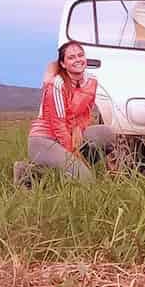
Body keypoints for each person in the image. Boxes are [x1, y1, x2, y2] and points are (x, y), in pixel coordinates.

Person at [25, 41, 113, 182]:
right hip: (45, 139)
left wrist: (79, 128)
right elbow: (58, 126)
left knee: (106, 133)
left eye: (80, 55)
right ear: (63, 64)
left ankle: (72, 170)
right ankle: (28, 172)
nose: (78, 60)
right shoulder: (57, 84)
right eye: (71, 57)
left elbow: (86, 113)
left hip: (70, 133)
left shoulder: (92, 81)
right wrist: (74, 153)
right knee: (87, 180)